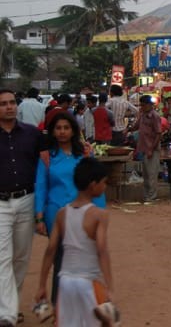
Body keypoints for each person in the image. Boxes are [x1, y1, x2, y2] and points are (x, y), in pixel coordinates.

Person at [35, 158, 116, 327]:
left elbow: (51, 249)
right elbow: (102, 250)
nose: (105, 186)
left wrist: (42, 285)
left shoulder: (62, 214)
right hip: (88, 280)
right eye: (103, 183)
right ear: (93, 185)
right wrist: (110, 286)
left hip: (65, 281)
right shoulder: (99, 215)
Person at [34, 112, 102, 303]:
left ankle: (83, 304)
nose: (62, 132)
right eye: (58, 128)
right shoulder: (47, 157)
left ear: (73, 131)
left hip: (83, 213)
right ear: (53, 132)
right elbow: (40, 187)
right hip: (55, 214)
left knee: (85, 257)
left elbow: (95, 184)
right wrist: (39, 216)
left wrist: (98, 213)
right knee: (60, 259)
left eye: (66, 128)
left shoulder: (85, 155)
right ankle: (59, 306)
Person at [0, 88, 46, 327]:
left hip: (27, 199)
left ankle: (12, 304)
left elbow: (48, 159)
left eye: (11, 102)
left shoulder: (31, 134)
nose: (8, 107)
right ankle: (6, 314)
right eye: (3, 104)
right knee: (2, 258)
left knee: (21, 257)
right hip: (0, 204)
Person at [133, 95, 162, 203]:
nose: (142, 107)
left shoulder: (155, 116)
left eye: (143, 105)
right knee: (145, 174)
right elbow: (137, 126)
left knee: (152, 174)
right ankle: (146, 196)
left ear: (149, 105)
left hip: (152, 148)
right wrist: (128, 129)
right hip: (144, 147)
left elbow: (158, 134)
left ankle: (152, 196)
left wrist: (151, 149)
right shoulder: (143, 115)